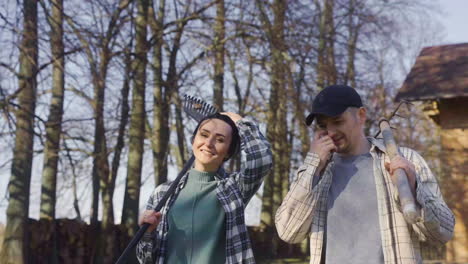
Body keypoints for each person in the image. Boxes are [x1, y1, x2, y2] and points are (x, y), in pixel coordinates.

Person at [275, 85, 454, 264]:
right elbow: (288, 232)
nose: (330, 132)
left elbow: (443, 232)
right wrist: (312, 166)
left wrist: (414, 188)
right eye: (323, 125)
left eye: (337, 121)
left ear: (361, 115)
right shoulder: (318, 172)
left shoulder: (404, 161)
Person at [137, 112, 272, 264]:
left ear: (228, 151)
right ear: (194, 140)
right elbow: (146, 260)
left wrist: (239, 122)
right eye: (204, 134)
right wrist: (147, 234)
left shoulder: (234, 188)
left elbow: (262, 160)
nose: (208, 143)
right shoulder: (162, 193)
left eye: (220, 139)